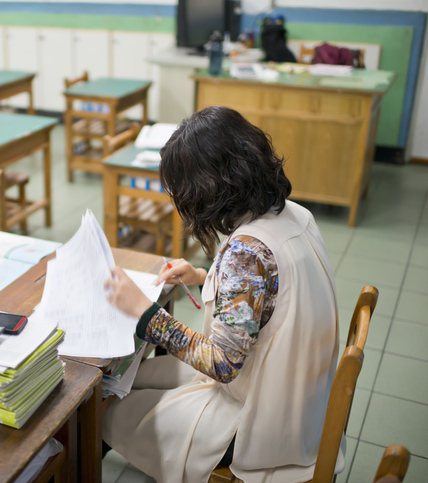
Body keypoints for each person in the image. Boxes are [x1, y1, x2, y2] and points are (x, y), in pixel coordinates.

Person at [103, 106, 341, 482]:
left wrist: (147, 315)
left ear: (208, 190)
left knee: (112, 411)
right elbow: (271, 294)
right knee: (142, 376)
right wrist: (204, 275)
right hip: (302, 397)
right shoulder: (295, 215)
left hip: (261, 420)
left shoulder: (246, 256)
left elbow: (222, 365)